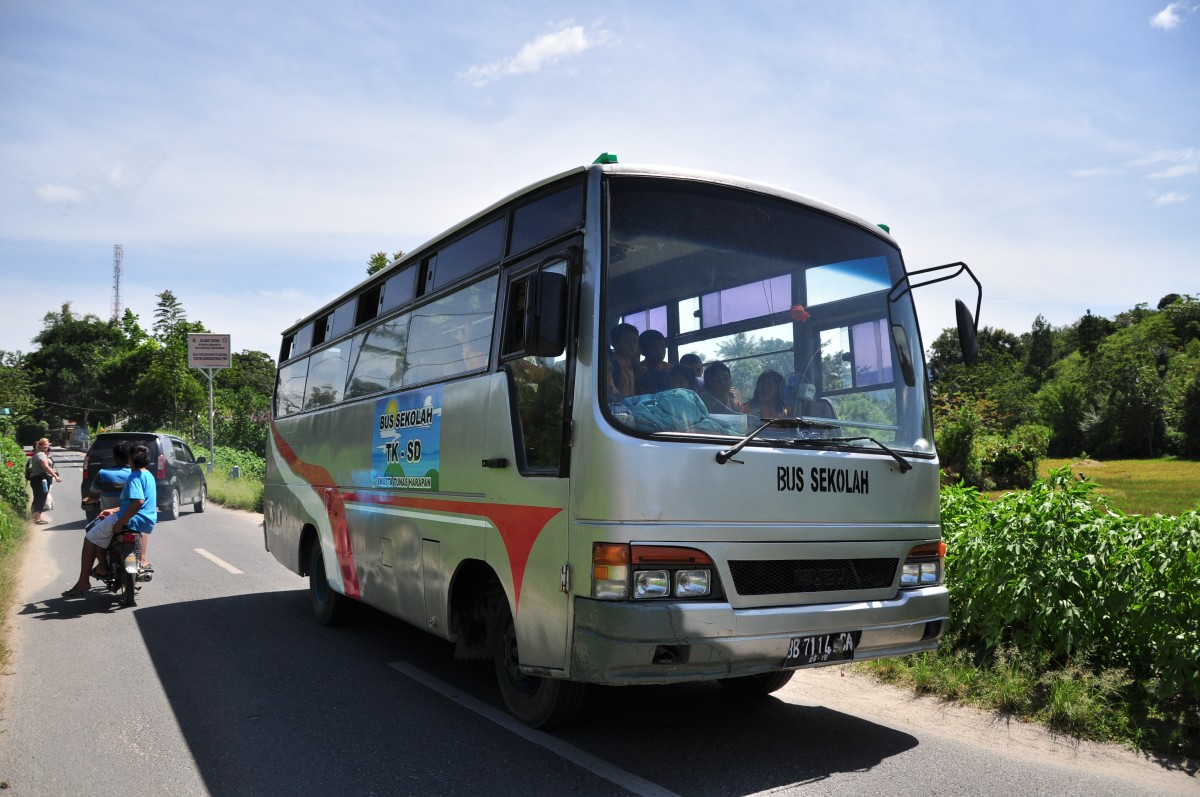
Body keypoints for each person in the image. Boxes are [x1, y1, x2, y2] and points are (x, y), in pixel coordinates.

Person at [61, 444, 157, 597]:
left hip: (127, 517)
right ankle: (142, 559)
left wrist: (119, 521)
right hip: (145, 520)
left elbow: (137, 501)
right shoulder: (149, 475)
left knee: (92, 536)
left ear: (129, 459)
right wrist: (114, 510)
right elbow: (135, 503)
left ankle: (87, 578)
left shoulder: (128, 476)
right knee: (132, 529)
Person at [81, 441, 132, 514]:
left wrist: (86, 501)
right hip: (132, 517)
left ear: (114, 458)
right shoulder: (137, 474)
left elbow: (93, 497)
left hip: (108, 517)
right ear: (130, 458)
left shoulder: (103, 474)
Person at [29, 438, 62, 525]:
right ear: (39, 445)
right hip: (40, 479)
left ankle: (35, 516)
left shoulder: (38, 454)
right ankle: (37, 519)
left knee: (37, 498)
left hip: (36, 479)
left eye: (47, 445)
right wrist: (56, 476)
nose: (46, 446)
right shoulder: (41, 455)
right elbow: (46, 467)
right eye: (44, 445)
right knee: (42, 498)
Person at [606, 323, 641, 399]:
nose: (632, 346)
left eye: (635, 341)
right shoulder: (612, 365)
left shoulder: (630, 364)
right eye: (626, 341)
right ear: (614, 344)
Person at [634, 329, 673, 394]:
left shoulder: (670, 369)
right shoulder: (638, 370)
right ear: (643, 351)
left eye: (663, 348)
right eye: (655, 349)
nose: (660, 352)